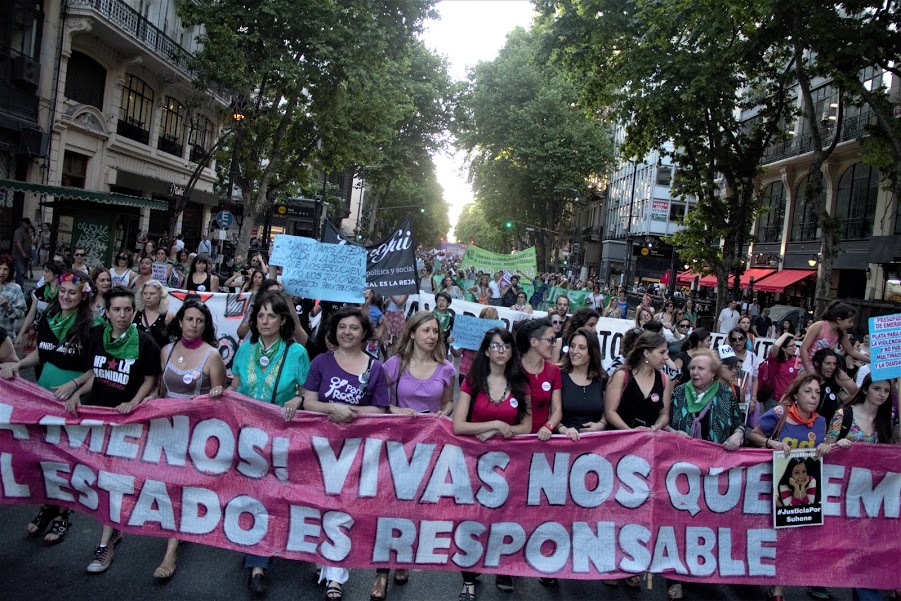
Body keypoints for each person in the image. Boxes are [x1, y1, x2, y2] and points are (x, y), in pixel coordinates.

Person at [296, 306, 388, 600]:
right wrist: (330, 408)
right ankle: (324, 562)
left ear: (364, 334)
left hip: (357, 449)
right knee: (320, 506)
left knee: (344, 509)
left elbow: (381, 409)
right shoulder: (321, 362)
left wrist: (351, 412)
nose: (347, 332)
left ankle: (336, 575)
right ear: (334, 332)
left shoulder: (376, 369)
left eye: (354, 328)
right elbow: (308, 401)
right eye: (342, 327)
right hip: (319, 446)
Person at [0, 270, 96, 544]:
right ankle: (46, 507)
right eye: (63, 291)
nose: (66, 296)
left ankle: (63, 515)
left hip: (73, 401)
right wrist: (18, 364)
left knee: (67, 459)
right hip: (42, 396)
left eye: (72, 293)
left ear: (83, 296)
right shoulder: (50, 316)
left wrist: (75, 386)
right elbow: (42, 352)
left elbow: (96, 368)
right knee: (45, 458)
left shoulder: (94, 324)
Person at [227, 291, 310, 593]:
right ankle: (255, 545)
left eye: (271, 315)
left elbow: (306, 391)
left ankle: (258, 563)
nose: (264, 321)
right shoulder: (245, 348)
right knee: (250, 492)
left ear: (282, 319)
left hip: (281, 435)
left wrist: (298, 399)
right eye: (260, 315)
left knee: (270, 495)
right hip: (246, 433)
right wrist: (219, 395)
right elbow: (236, 385)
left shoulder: (296, 352)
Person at [75, 287, 161, 575]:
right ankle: (111, 530)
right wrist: (76, 391)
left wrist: (133, 403)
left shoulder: (145, 342)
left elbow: (150, 380)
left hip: (127, 423)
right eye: (117, 310)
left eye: (127, 310)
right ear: (107, 312)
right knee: (100, 479)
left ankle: (105, 543)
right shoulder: (96, 337)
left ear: (133, 312)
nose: (122, 315)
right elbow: (94, 375)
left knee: (113, 481)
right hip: (98, 419)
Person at [369, 311, 455, 599]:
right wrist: (396, 410)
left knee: (414, 507)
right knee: (388, 507)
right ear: (413, 333)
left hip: (428, 447)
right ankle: (382, 573)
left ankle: (402, 558)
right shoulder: (394, 365)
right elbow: (379, 400)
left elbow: (447, 402)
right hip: (395, 445)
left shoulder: (446, 369)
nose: (432, 336)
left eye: (435, 332)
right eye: (427, 330)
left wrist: (445, 413)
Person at [747, 373, 845, 601]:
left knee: (804, 539)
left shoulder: (820, 422)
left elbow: (825, 449)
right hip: (776, 486)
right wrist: (772, 443)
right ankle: (778, 589)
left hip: (807, 492)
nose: (813, 396)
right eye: (808, 391)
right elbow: (753, 434)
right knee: (781, 538)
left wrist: (831, 447)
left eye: (817, 392)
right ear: (796, 395)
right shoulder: (780, 414)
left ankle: (804, 581)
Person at [453, 327, 531, 599]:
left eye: (506, 346)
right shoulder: (472, 381)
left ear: (512, 352)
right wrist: (495, 423)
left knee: (505, 518)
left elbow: (527, 425)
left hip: (510, 464)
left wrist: (498, 431)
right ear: (486, 350)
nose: (501, 351)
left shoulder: (520, 384)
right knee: (472, 519)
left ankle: (503, 565)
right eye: (495, 346)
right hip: (473, 460)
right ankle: (469, 579)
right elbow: (459, 425)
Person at [153, 299, 226, 579]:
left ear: (205, 325)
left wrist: (214, 396)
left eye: (200, 320)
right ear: (180, 322)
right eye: (189, 319)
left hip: (197, 430)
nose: (194, 324)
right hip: (168, 427)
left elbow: (221, 401)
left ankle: (170, 551)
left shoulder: (213, 356)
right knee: (169, 485)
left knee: (181, 486)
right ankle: (179, 529)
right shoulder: (166, 351)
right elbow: (161, 390)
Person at [665, 348, 744, 601]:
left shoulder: (726, 395)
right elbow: (663, 422)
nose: (694, 372)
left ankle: (702, 570)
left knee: (707, 524)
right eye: (693, 368)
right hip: (681, 469)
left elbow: (739, 424)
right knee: (678, 524)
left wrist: (738, 434)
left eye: (700, 369)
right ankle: (675, 577)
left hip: (713, 471)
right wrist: (672, 432)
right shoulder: (678, 391)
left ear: (713, 373)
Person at [605, 331, 673, 433]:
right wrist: (631, 432)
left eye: (666, 352)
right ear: (646, 353)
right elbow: (610, 411)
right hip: (620, 439)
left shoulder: (664, 379)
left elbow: (664, 415)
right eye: (661, 352)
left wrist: (656, 427)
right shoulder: (621, 376)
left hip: (647, 441)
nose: (666, 357)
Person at [517, 318, 563, 444]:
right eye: (550, 340)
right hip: (513, 439)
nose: (554, 344)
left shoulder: (553, 371)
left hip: (543, 441)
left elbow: (557, 410)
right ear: (533, 342)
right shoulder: (513, 367)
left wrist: (549, 426)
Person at [558, 326, 607, 437]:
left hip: (594, 443)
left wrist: (601, 424)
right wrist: (563, 429)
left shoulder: (602, 377)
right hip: (562, 442)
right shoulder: (558, 375)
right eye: (572, 346)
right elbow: (550, 412)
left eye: (582, 348)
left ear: (592, 352)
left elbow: (607, 409)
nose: (574, 352)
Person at [799, 301, 869, 373]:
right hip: (805, 364)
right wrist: (808, 370)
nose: (852, 325)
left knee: (849, 383)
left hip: (824, 366)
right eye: (850, 321)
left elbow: (851, 350)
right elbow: (803, 348)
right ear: (839, 320)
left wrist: (870, 360)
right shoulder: (819, 326)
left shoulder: (841, 332)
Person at [16, 260, 67, 354]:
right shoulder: (39, 292)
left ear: (56, 274)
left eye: (47, 271)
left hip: (56, 333)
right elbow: (31, 314)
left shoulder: (64, 293)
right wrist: (20, 334)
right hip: (39, 332)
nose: (43, 274)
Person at [452, 306, 499, 386]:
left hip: (483, 374)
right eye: (494, 318)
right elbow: (457, 354)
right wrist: (451, 345)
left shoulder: (495, 338)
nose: (495, 320)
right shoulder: (470, 333)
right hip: (465, 373)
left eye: (496, 318)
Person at [811, 347, 857, 425]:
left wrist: (842, 404)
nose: (832, 367)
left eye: (834, 364)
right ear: (817, 363)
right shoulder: (810, 382)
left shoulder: (833, 384)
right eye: (828, 363)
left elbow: (853, 389)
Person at [726, 327, 760, 416]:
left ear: (745, 340)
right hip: (728, 398)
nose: (738, 341)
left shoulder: (752, 357)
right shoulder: (727, 356)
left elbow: (755, 380)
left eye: (740, 338)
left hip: (747, 400)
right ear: (731, 341)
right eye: (734, 339)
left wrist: (753, 399)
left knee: (741, 426)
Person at [134, 280, 174, 350]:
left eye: (152, 294)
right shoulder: (135, 313)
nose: (148, 297)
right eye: (145, 293)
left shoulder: (168, 316)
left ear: (160, 295)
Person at [763, 334, 798, 411]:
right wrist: (786, 334)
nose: (795, 348)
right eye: (792, 346)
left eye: (795, 345)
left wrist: (788, 397)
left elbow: (795, 381)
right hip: (773, 401)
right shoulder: (775, 360)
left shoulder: (794, 360)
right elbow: (775, 346)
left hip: (788, 401)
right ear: (783, 348)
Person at [0, 255, 27, 337]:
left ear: (10, 272)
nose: (2, 272)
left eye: (5, 269)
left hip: (6, 338)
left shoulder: (15, 288)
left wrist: (8, 307)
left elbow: (21, 314)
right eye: (0, 268)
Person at [12, 217, 33, 287]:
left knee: (21, 272)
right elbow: (18, 243)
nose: (29, 226)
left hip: (26, 255)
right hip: (18, 255)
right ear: (23, 224)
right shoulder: (18, 231)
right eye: (27, 224)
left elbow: (30, 242)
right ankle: (19, 287)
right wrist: (23, 253)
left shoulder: (27, 232)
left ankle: (18, 286)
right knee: (21, 271)